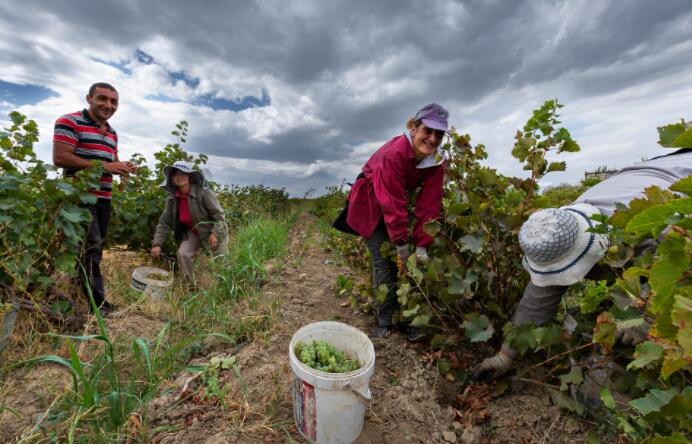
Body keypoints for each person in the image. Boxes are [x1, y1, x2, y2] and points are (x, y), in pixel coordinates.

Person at [473, 148, 692, 380]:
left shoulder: (662, 233)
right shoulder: (561, 229)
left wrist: (646, 321)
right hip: (654, 172)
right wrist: (506, 356)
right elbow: (539, 298)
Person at [346, 103, 449, 340]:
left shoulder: (437, 160)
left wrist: (422, 244)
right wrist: (401, 244)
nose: (433, 139)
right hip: (370, 204)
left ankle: (411, 320)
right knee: (384, 263)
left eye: (439, 134)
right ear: (413, 128)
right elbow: (391, 201)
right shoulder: (392, 154)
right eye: (427, 131)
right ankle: (384, 321)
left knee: (416, 263)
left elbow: (429, 204)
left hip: (396, 203)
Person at [53, 82, 136, 314]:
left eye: (113, 101)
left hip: (103, 199)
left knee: (94, 250)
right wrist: (108, 166)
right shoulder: (69, 121)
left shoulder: (111, 132)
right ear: (89, 98)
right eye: (102, 99)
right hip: (80, 199)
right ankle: (97, 305)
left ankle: (83, 298)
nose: (108, 105)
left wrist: (123, 166)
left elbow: (111, 160)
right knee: (91, 249)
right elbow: (60, 158)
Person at [150, 161, 227, 283]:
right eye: (176, 174)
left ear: (190, 177)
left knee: (221, 262)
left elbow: (220, 216)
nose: (179, 177)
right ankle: (190, 287)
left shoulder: (203, 192)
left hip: (213, 231)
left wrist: (215, 234)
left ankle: (226, 290)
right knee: (183, 254)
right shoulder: (172, 198)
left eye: (183, 174)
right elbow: (164, 223)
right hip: (193, 232)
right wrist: (157, 244)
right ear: (172, 178)